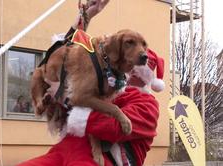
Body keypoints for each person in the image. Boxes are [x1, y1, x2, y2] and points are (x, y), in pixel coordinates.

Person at [18, 0, 165, 165]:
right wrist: (86, 15)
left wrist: (67, 96)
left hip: (102, 158)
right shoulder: (108, 82)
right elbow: (71, 56)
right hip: (65, 149)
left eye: (133, 68)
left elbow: (115, 127)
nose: (128, 70)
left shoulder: (147, 104)